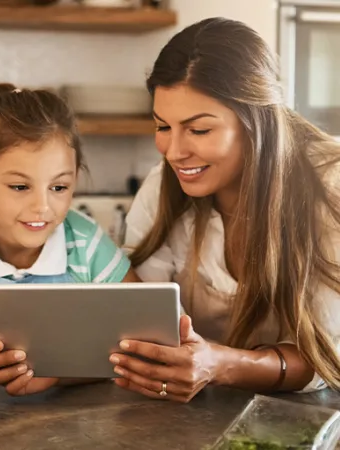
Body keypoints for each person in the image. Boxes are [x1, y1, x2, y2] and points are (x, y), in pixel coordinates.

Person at [112, 17, 340, 403]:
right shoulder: (163, 186)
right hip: (199, 417)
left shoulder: (329, 186)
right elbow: (138, 320)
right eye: (163, 126)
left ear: (257, 123)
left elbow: (328, 356)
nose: (174, 152)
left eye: (199, 130)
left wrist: (218, 365)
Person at [0, 83, 140, 396]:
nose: (43, 207)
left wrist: (55, 376)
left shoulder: (87, 244)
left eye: (59, 188)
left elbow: (143, 343)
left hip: (77, 406)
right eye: (20, 187)